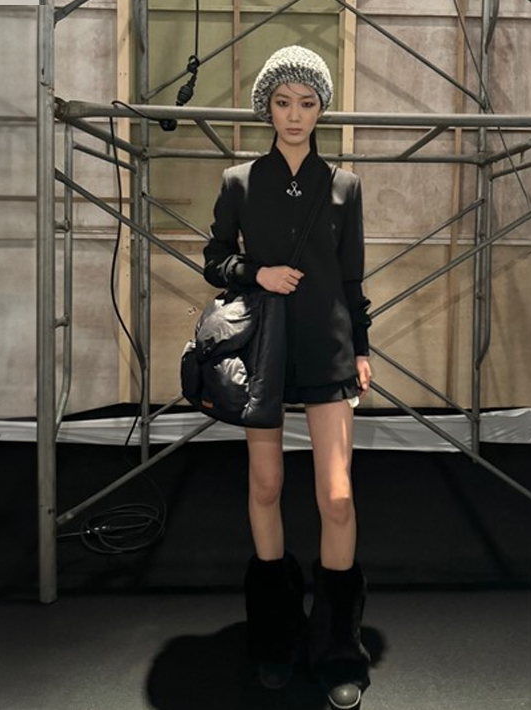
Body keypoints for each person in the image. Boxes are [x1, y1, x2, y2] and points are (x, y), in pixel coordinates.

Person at [202, 45, 372, 710]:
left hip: (328, 349)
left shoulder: (345, 186)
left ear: (321, 109)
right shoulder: (239, 181)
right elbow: (215, 258)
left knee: (337, 498)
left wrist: (363, 348)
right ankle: (273, 637)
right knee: (266, 485)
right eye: (282, 102)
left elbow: (352, 280)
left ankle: (338, 648)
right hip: (265, 350)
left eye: (306, 102)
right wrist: (257, 273)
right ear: (266, 108)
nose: (294, 114)